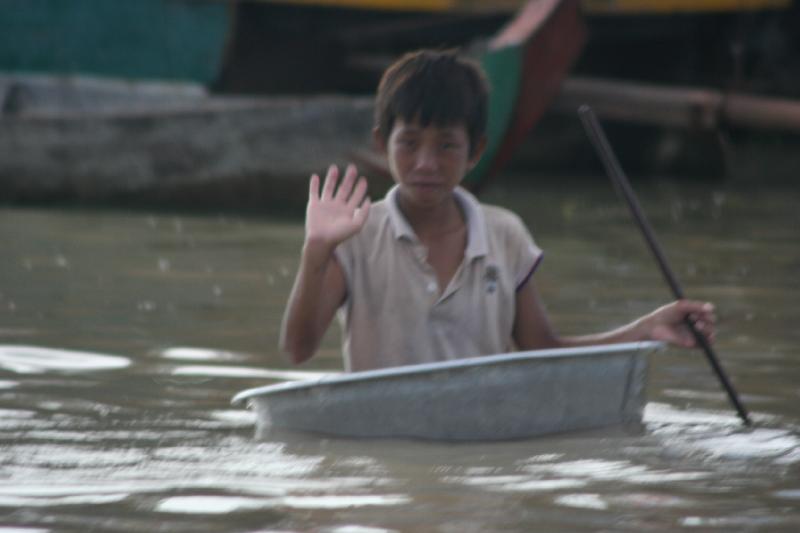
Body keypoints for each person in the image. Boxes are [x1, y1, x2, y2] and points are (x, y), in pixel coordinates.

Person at [280, 49, 715, 372]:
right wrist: (314, 252)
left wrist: (646, 328)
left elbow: (541, 349)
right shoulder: (356, 235)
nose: (426, 163)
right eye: (409, 143)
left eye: (447, 145)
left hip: (482, 446)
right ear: (382, 145)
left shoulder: (504, 234)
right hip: (385, 453)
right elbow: (298, 349)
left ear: (476, 151)